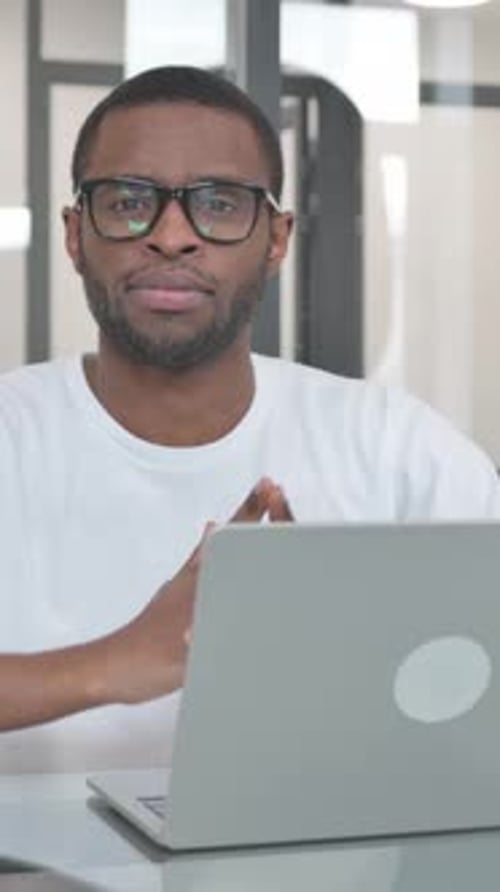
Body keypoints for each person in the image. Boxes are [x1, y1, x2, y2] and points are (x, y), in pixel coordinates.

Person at [0, 65, 498, 770]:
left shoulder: (399, 452)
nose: (172, 236)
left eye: (221, 204)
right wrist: (117, 663)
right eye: (129, 201)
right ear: (76, 233)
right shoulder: (11, 437)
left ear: (277, 239)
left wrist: (350, 654)